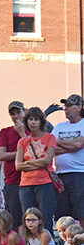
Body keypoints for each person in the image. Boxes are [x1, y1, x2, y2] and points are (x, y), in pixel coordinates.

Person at [15, 107, 57, 233]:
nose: (33, 122)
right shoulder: (23, 141)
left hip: (44, 183)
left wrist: (27, 163)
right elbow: (18, 166)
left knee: (45, 218)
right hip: (26, 185)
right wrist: (37, 163)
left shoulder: (50, 137)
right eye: (30, 119)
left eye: (36, 119)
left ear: (41, 122)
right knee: (28, 219)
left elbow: (47, 160)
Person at [51, 94, 84, 225]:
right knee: (62, 213)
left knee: (80, 211)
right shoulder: (59, 126)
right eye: (65, 106)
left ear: (79, 107)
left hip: (79, 173)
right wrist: (71, 147)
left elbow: (78, 145)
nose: (66, 108)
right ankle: (66, 242)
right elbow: (51, 148)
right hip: (60, 175)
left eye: (69, 106)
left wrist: (60, 142)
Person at [0, 101, 27, 230]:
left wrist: (22, 134)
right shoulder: (5, 132)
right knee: (13, 220)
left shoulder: (32, 132)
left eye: (18, 112)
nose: (16, 116)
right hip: (12, 182)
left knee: (30, 218)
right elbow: (2, 155)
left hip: (29, 181)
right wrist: (21, 152)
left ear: (24, 112)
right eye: (12, 114)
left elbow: (34, 152)